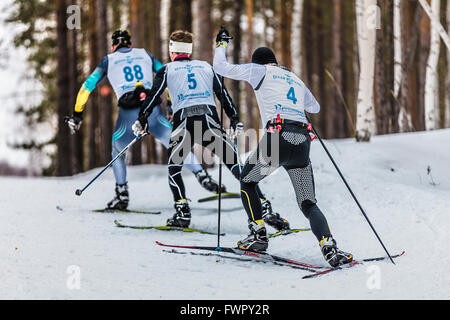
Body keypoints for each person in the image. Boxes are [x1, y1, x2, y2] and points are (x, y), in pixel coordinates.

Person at [212, 27, 353, 267]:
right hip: (302, 141)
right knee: (308, 202)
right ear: (275, 61)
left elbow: (220, 68)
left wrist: (222, 44)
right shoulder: (294, 77)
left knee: (247, 181)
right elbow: (315, 108)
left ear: (259, 63)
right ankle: (329, 246)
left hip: (278, 138)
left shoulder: (259, 71)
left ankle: (257, 235)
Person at [132, 30, 288, 230]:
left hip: (184, 124)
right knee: (237, 167)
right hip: (209, 123)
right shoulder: (205, 66)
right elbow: (222, 94)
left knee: (174, 169)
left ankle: (182, 213)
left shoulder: (166, 70)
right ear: (189, 50)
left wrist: (142, 118)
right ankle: (265, 208)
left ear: (172, 50)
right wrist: (234, 119)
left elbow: (154, 97)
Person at [66, 29, 226, 210]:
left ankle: (122, 194)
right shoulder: (144, 54)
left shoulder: (108, 60)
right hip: (152, 108)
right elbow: (167, 73)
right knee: (174, 143)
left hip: (128, 112)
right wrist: (171, 105)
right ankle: (202, 176)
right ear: (130, 44)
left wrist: (77, 114)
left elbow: (87, 86)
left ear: (113, 46)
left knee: (118, 150)